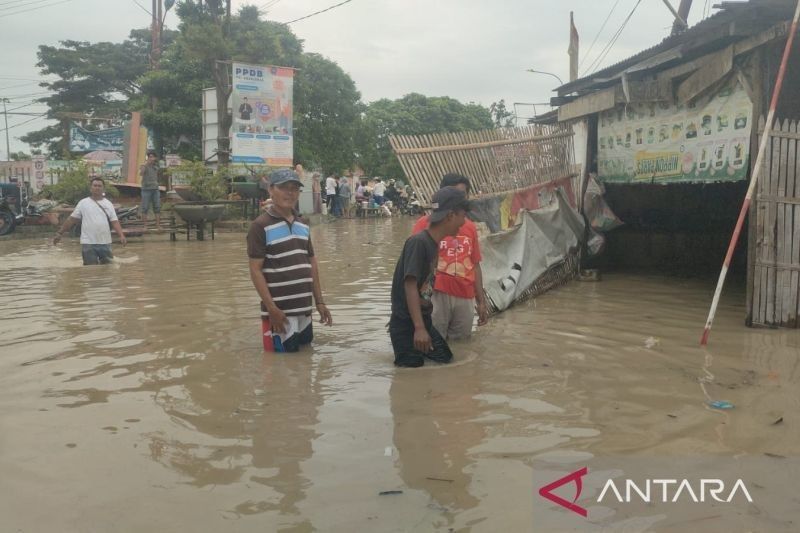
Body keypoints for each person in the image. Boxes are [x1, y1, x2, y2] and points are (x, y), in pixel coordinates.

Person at [247, 168, 333, 352]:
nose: (290, 193)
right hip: (279, 314)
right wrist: (272, 309)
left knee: (303, 365)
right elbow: (255, 270)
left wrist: (319, 302)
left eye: (294, 188)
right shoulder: (260, 226)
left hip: (304, 310)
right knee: (281, 369)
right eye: (284, 188)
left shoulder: (302, 225)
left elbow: (312, 263)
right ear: (271, 190)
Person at [389, 186, 469, 367]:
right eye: (463, 216)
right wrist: (418, 328)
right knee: (410, 376)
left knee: (445, 360)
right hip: (406, 325)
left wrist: (423, 326)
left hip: (422, 321)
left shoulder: (433, 243)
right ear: (450, 216)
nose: (464, 222)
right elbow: (410, 285)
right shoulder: (419, 243)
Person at [412, 174, 489, 340]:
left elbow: (475, 264)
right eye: (454, 195)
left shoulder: (469, 227)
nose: (458, 200)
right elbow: (412, 269)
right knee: (434, 342)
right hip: (436, 294)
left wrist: (481, 301)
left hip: (465, 294)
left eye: (462, 196)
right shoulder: (424, 225)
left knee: (461, 346)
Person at [52, 177, 127, 265]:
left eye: (99, 186)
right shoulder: (83, 203)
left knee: (108, 268)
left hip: (105, 242)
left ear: (103, 188)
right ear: (90, 188)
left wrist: (121, 235)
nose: (97, 188)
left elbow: (114, 221)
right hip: (88, 243)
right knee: (90, 269)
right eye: (95, 185)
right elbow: (71, 219)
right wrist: (60, 233)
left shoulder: (108, 204)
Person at [139, 151, 161, 228]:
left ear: (155, 158)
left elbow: (156, 176)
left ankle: (158, 225)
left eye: (152, 157)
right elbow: (141, 173)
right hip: (146, 189)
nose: (151, 158)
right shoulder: (144, 165)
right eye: (150, 157)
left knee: (157, 207)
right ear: (148, 158)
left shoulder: (156, 166)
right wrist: (146, 164)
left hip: (155, 189)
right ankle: (145, 226)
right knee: (145, 207)